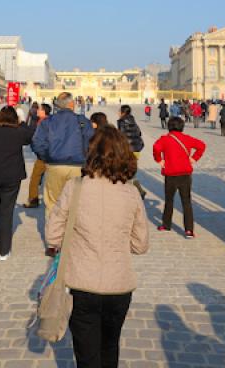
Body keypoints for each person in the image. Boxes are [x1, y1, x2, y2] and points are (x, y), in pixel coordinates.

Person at [46, 126, 149, 368]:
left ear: (91, 153)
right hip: (119, 285)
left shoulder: (76, 187)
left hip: (82, 283)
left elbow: (52, 236)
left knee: (86, 355)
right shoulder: (132, 192)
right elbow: (140, 245)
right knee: (110, 348)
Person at [0, 106, 35, 260]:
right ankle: (4, 250)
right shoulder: (19, 132)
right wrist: (22, 121)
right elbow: (31, 134)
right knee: (6, 211)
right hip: (12, 177)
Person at [32, 92, 94, 217]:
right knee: (74, 204)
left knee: (53, 204)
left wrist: (47, 157)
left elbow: (37, 142)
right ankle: (70, 234)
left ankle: (53, 234)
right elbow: (93, 143)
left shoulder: (48, 121)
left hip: (54, 166)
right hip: (77, 167)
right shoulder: (82, 121)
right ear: (72, 104)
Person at [153, 116, 206, 238]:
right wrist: (194, 158)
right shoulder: (186, 138)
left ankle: (166, 225)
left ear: (169, 126)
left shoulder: (165, 139)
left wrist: (159, 160)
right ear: (182, 126)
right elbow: (201, 145)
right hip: (185, 175)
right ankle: (189, 230)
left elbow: (156, 148)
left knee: (169, 201)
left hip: (170, 175)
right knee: (186, 202)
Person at [23, 103, 52, 208]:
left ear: (44, 111)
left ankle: (33, 199)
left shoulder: (43, 123)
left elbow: (40, 140)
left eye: (39, 109)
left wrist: (39, 151)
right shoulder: (51, 121)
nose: (37, 111)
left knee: (35, 177)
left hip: (44, 156)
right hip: (51, 154)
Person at [117, 105, 146, 199]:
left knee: (124, 172)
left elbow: (120, 136)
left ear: (123, 112)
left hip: (127, 151)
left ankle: (137, 191)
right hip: (136, 150)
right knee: (130, 172)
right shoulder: (133, 121)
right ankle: (138, 190)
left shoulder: (121, 121)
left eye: (119, 111)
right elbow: (139, 133)